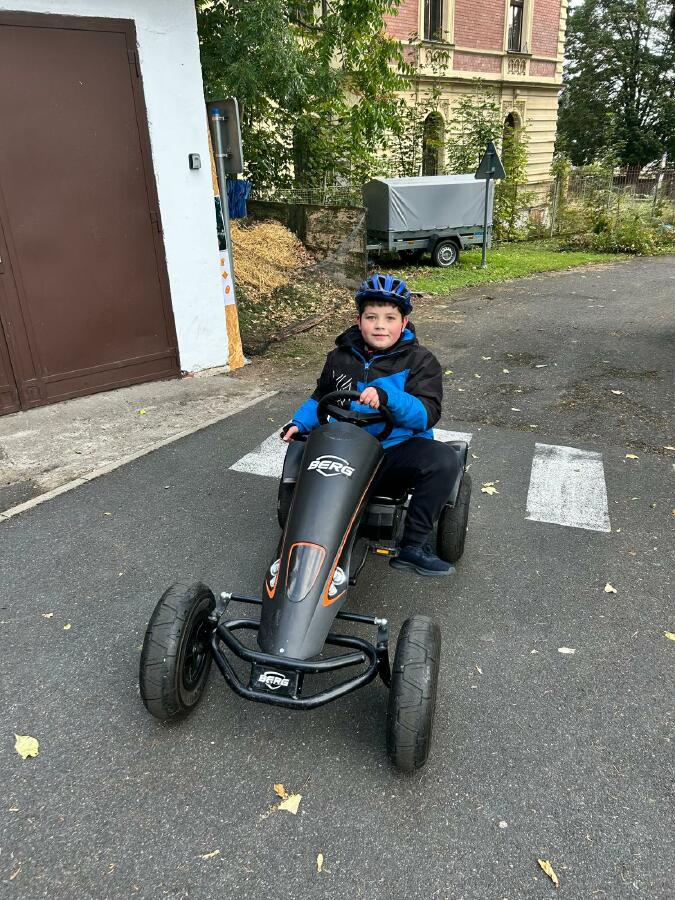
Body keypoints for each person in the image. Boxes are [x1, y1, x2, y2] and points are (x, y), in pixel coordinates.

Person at [280, 273, 461, 576]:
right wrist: (299, 423)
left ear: (404, 323)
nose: (380, 325)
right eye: (371, 317)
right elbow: (320, 397)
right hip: (345, 449)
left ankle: (413, 547)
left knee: (445, 461)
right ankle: (301, 547)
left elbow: (426, 413)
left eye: (390, 318)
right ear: (359, 320)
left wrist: (387, 397)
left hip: (393, 450)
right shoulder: (339, 357)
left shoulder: (420, 361)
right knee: (301, 452)